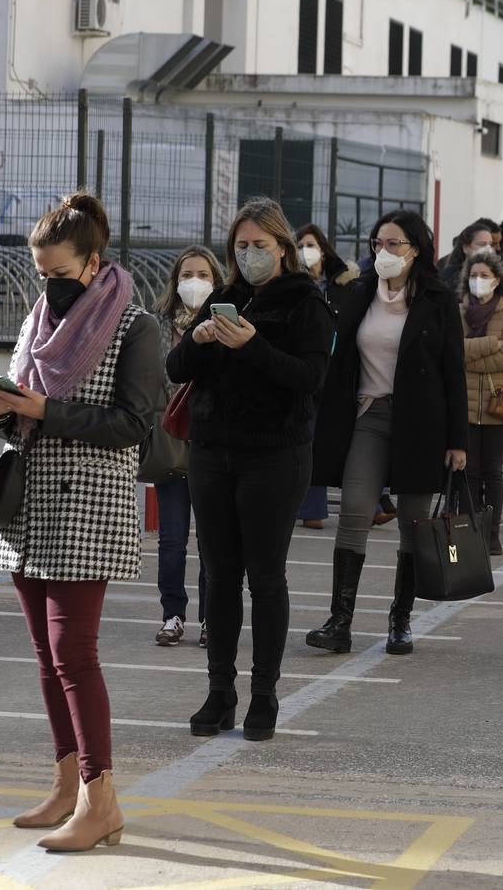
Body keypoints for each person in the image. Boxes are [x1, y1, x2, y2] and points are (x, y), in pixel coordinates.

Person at [0, 192, 160, 851]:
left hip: (89, 505)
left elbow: (134, 425)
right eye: (39, 273)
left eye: (58, 273)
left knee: (73, 654)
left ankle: (100, 797)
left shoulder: (135, 326)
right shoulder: (36, 322)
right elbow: (23, 410)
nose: (47, 286)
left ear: (94, 263)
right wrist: (0, 409)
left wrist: (46, 410)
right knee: (45, 659)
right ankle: (65, 786)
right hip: (30, 505)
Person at [166, 198, 331, 743]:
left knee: (264, 575)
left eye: (260, 245)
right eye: (241, 246)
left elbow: (308, 377)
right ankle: (220, 691)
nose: (249, 254)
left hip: (275, 453)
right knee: (218, 574)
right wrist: (199, 338)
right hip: (213, 449)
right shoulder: (226, 296)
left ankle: (264, 692)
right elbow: (175, 369)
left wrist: (253, 345)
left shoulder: (307, 300)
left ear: (283, 248)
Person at [306, 210, 468, 657]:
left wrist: (458, 440)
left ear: (416, 249)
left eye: (394, 244)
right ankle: (340, 621)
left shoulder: (437, 298)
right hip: (369, 414)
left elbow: (454, 370)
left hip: (421, 423)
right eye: (378, 243)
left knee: (414, 526)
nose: (384, 252)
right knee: (355, 510)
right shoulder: (359, 293)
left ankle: (400, 620)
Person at [148, 245, 222, 648]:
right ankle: (172, 614)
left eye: (204, 275)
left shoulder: (226, 319)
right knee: (172, 539)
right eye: (187, 274)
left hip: (214, 443)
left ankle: (213, 617)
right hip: (171, 444)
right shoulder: (159, 326)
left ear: (217, 280)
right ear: (175, 282)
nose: (195, 282)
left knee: (211, 539)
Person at [459, 249, 503, 555]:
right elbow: (451, 351)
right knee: (468, 473)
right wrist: (489, 345)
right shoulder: (457, 311)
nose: (478, 281)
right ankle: (470, 534)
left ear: (498, 280)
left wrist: (470, 359)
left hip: (498, 404)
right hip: (465, 404)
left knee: (492, 471)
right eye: (474, 275)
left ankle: (491, 534)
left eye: (485, 276)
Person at [294, 224, 357, 531]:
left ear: (323, 248)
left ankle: (372, 503)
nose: (306, 250)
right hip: (306, 368)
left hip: (338, 370)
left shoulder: (343, 283)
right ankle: (312, 509)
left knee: (343, 439)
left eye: (311, 244)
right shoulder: (292, 284)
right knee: (308, 438)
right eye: (300, 244)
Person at [439, 221, 495, 289]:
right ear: (466, 248)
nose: (488, 249)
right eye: (482, 244)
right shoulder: (450, 276)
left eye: (490, 244)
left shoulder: (497, 271)